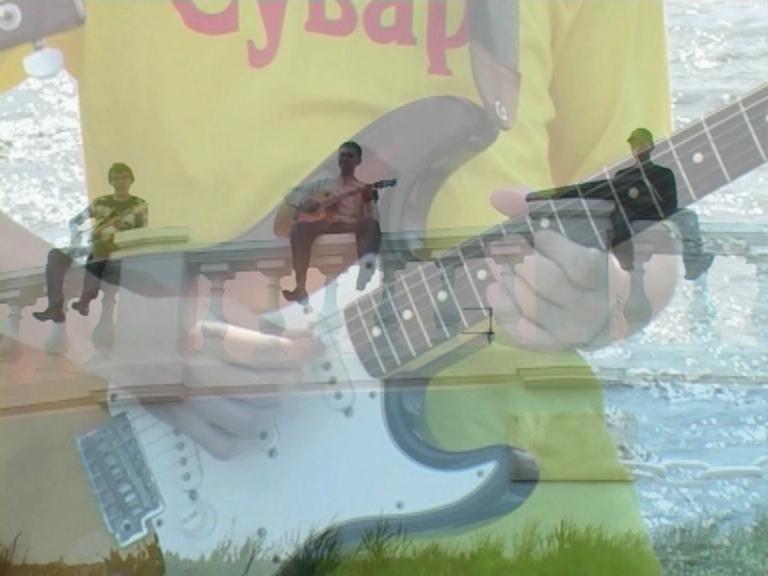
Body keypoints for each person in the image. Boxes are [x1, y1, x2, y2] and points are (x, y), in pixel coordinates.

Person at [1, 1, 683, 572]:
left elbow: (648, 237)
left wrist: (601, 300)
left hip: (531, 494)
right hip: (180, 495)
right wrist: (111, 329)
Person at [32, 162, 148, 322]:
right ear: (111, 181)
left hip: (118, 248)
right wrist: (75, 238)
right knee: (56, 255)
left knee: (99, 246)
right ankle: (54, 307)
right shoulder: (101, 202)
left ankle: (85, 299)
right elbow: (75, 221)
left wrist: (124, 229)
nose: (120, 182)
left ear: (131, 180)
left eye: (124, 178)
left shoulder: (138, 205)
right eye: (116, 178)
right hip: (94, 245)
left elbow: (142, 234)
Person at [282, 141, 381, 302]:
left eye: (350, 156)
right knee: (298, 229)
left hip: (348, 225)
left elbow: (374, 218)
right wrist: (304, 202)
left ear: (358, 161)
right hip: (324, 224)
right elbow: (290, 194)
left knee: (371, 226)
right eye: (342, 155)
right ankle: (300, 287)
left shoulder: (363, 188)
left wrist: (368, 201)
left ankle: (365, 271)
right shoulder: (325, 184)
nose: (345, 159)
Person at [613, 128, 714, 280]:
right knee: (619, 213)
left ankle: (693, 264)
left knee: (688, 215)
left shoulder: (664, 174)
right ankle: (626, 260)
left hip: (657, 216)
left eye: (642, 145)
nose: (638, 149)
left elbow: (670, 205)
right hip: (635, 219)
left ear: (651, 147)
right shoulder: (622, 175)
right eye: (635, 145)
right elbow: (618, 202)